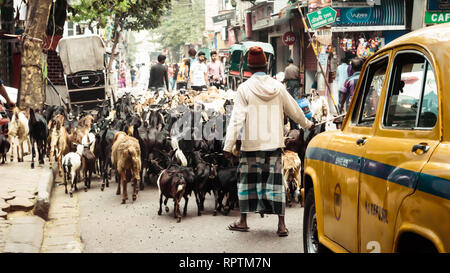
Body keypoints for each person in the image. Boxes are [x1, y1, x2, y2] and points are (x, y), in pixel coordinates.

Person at [223, 46, 315, 237]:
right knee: (275, 184)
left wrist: (228, 146)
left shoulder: (244, 89)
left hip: (251, 145)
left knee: (247, 183)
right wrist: (307, 124)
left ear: (249, 66)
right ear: (267, 65)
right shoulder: (278, 87)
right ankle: (281, 225)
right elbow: (295, 110)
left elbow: (236, 119)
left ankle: (243, 221)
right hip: (273, 145)